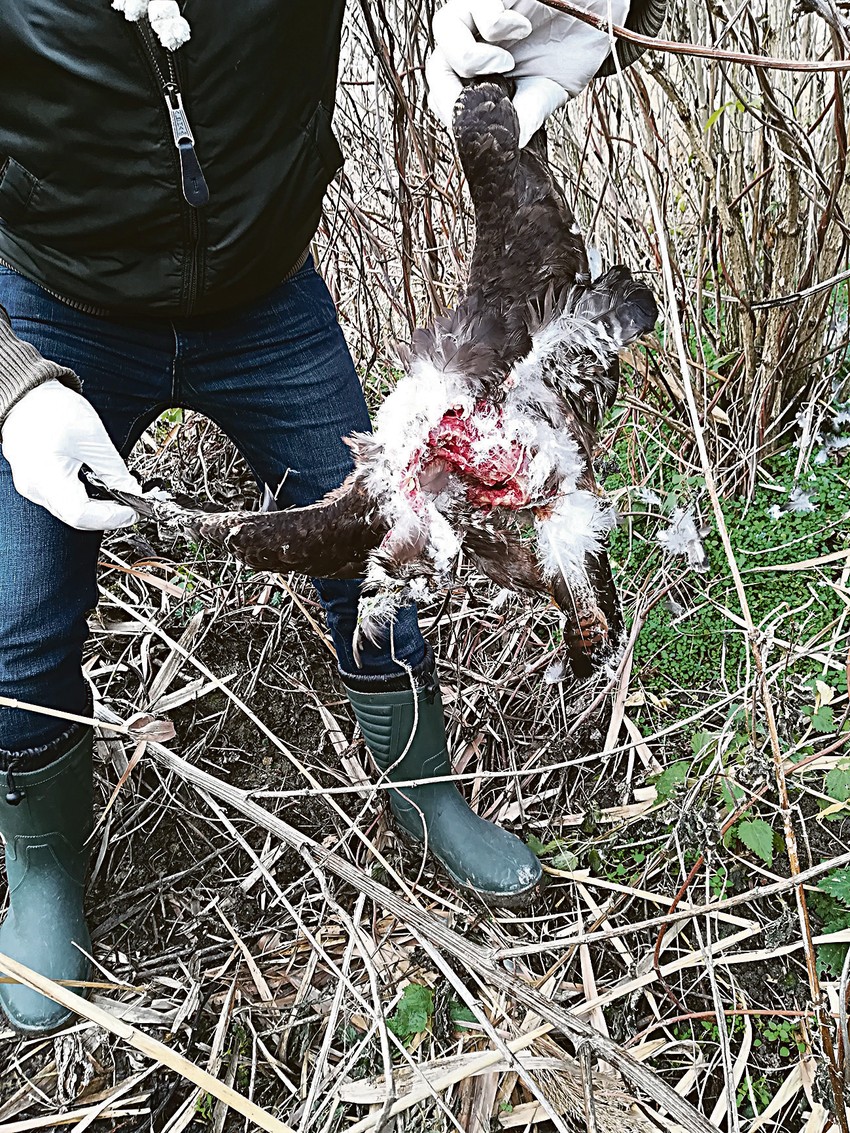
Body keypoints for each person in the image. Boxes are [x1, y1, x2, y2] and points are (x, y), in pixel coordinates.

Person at [0, 0, 664, 1034]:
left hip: (266, 299)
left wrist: (593, 4)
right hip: (51, 298)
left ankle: (428, 794)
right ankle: (43, 872)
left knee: (376, 555)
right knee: (22, 615)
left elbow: (547, 12)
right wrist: (13, 382)